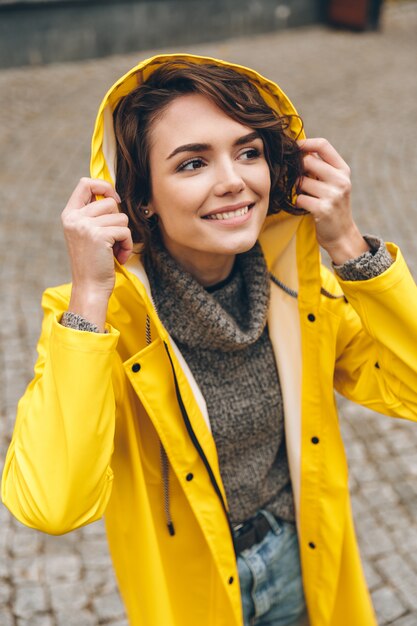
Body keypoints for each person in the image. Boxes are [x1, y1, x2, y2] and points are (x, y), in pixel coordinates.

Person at [2, 54, 417, 626]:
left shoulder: (302, 291)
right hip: (189, 592)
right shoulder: (100, 326)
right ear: (142, 197)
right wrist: (89, 297)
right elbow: (52, 503)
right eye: (193, 163)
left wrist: (347, 244)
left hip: (301, 559)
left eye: (248, 152)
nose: (233, 181)